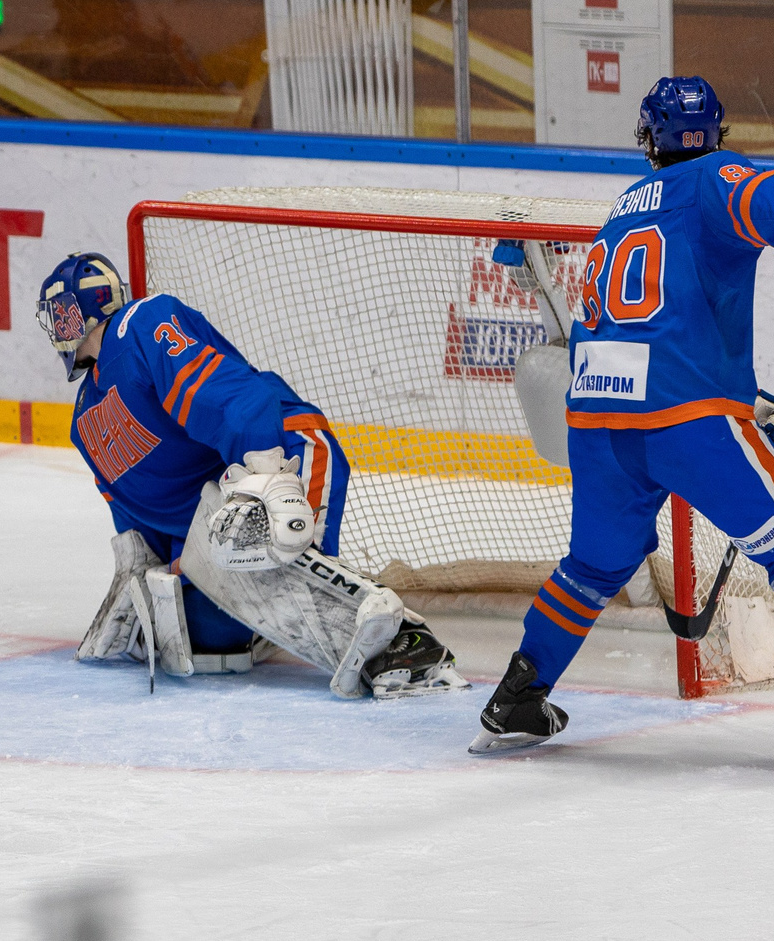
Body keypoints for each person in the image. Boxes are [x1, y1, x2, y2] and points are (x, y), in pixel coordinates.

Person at [471, 75, 774, 768]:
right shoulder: (715, 179)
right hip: (688, 422)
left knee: (591, 569)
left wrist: (742, 409)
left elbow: (653, 330)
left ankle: (518, 691)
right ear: (717, 134)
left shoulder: (621, 212)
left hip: (601, 426)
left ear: (648, 139)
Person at [38, 251, 462, 698]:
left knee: (282, 549)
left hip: (283, 451)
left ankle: (407, 643)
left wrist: (266, 479)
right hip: (216, 521)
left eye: (58, 314)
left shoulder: (142, 324)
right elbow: (139, 530)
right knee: (210, 641)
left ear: (76, 310)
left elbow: (233, 398)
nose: (55, 328)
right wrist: (153, 588)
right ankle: (276, 612)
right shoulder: (84, 419)